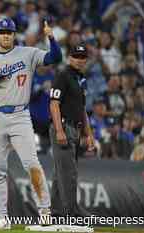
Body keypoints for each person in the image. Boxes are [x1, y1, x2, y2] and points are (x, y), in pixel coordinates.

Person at [0, 17, 62, 229]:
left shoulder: (28, 53)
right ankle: (1, 217)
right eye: (2, 32)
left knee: (32, 164)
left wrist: (51, 37)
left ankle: (45, 211)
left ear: (14, 34)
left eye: (9, 32)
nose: (5, 35)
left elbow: (56, 57)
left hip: (20, 115)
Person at [49, 43, 95, 218]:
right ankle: (72, 212)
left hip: (75, 129)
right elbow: (54, 104)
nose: (80, 60)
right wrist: (59, 130)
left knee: (60, 172)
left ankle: (56, 212)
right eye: (76, 56)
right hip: (64, 127)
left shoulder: (80, 79)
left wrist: (89, 134)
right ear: (69, 58)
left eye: (83, 57)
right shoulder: (63, 75)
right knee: (69, 172)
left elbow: (82, 110)